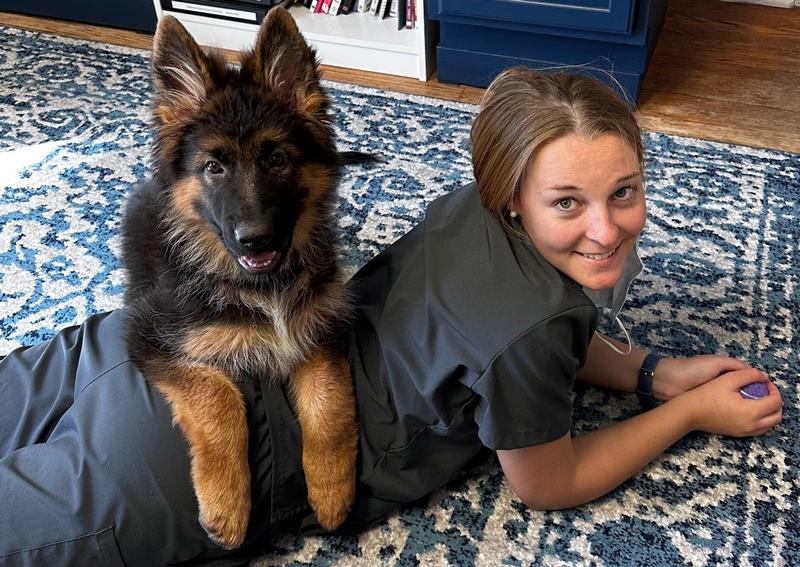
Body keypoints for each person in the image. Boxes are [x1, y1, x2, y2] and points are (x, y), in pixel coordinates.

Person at [0, 68, 783, 566]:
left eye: (625, 192)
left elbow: (514, 336)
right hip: (177, 462)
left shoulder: (472, 205)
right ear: (512, 191)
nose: (606, 230)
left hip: (129, 342)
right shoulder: (535, 328)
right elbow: (552, 480)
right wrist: (685, 411)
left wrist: (646, 367)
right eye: (570, 203)